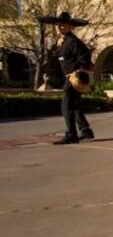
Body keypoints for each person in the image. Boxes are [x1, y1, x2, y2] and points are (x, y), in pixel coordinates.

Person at [38, 11, 95, 145]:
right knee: (74, 105)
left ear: (70, 27)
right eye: (58, 25)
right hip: (68, 76)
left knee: (66, 105)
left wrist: (78, 69)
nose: (59, 27)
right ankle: (85, 130)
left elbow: (85, 55)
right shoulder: (62, 41)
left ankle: (71, 134)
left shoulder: (72, 41)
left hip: (73, 78)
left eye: (63, 25)